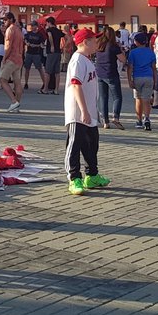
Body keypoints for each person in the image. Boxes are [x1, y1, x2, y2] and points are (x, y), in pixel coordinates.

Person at [64, 28, 108, 195]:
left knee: (91, 145)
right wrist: (83, 110)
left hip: (89, 112)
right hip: (78, 113)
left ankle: (92, 175)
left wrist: (92, 111)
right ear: (85, 42)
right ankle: (74, 177)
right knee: (75, 144)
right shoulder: (77, 60)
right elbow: (76, 85)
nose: (97, 43)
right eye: (94, 40)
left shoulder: (87, 60)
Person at [94, 26, 126, 129]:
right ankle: (115, 118)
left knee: (103, 98)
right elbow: (123, 60)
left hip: (99, 73)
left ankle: (105, 122)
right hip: (111, 73)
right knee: (117, 97)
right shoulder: (113, 46)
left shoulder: (99, 45)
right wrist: (121, 50)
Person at [126, 31, 156, 129]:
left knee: (138, 99)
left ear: (136, 42)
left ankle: (139, 121)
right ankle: (147, 118)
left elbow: (130, 67)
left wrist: (129, 80)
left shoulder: (133, 53)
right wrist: (155, 80)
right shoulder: (151, 52)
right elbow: (154, 68)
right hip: (149, 77)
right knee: (146, 100)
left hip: (137, 77)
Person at [0, 12, 25, 113]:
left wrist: (4, 58)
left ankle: (14, 101)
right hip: (19, 59)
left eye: (5, 20)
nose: (4, 22)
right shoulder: (18, 30)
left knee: (3, 80)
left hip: (11, 59)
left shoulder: (10, 30)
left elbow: (8, 46)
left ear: (10, 19)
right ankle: (17, 104)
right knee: (17, 82)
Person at [22, 21, 46, 92]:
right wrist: (27, 43)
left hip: (36, 54)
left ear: (36, 26)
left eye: (33, 26)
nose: (32, 27)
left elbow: (42, 44)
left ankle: (44, 83)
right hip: (29, 53)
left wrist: (36, 45)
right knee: (27, 69)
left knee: (40, 69)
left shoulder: (40, 35)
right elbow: (25, 40)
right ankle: (26, 83)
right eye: (31, 26)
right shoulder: (28, 34)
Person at [43, 17, 64, 94]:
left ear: (49, 22)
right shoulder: (59, 31)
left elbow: (50, 36)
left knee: (47, 71)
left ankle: (45, 89)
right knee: (57, 72)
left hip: (51, 52)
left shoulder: (49, 30)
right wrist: (63, 46)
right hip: (58, 52)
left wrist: (52, 45)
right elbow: (68, 37)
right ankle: (56, 90)